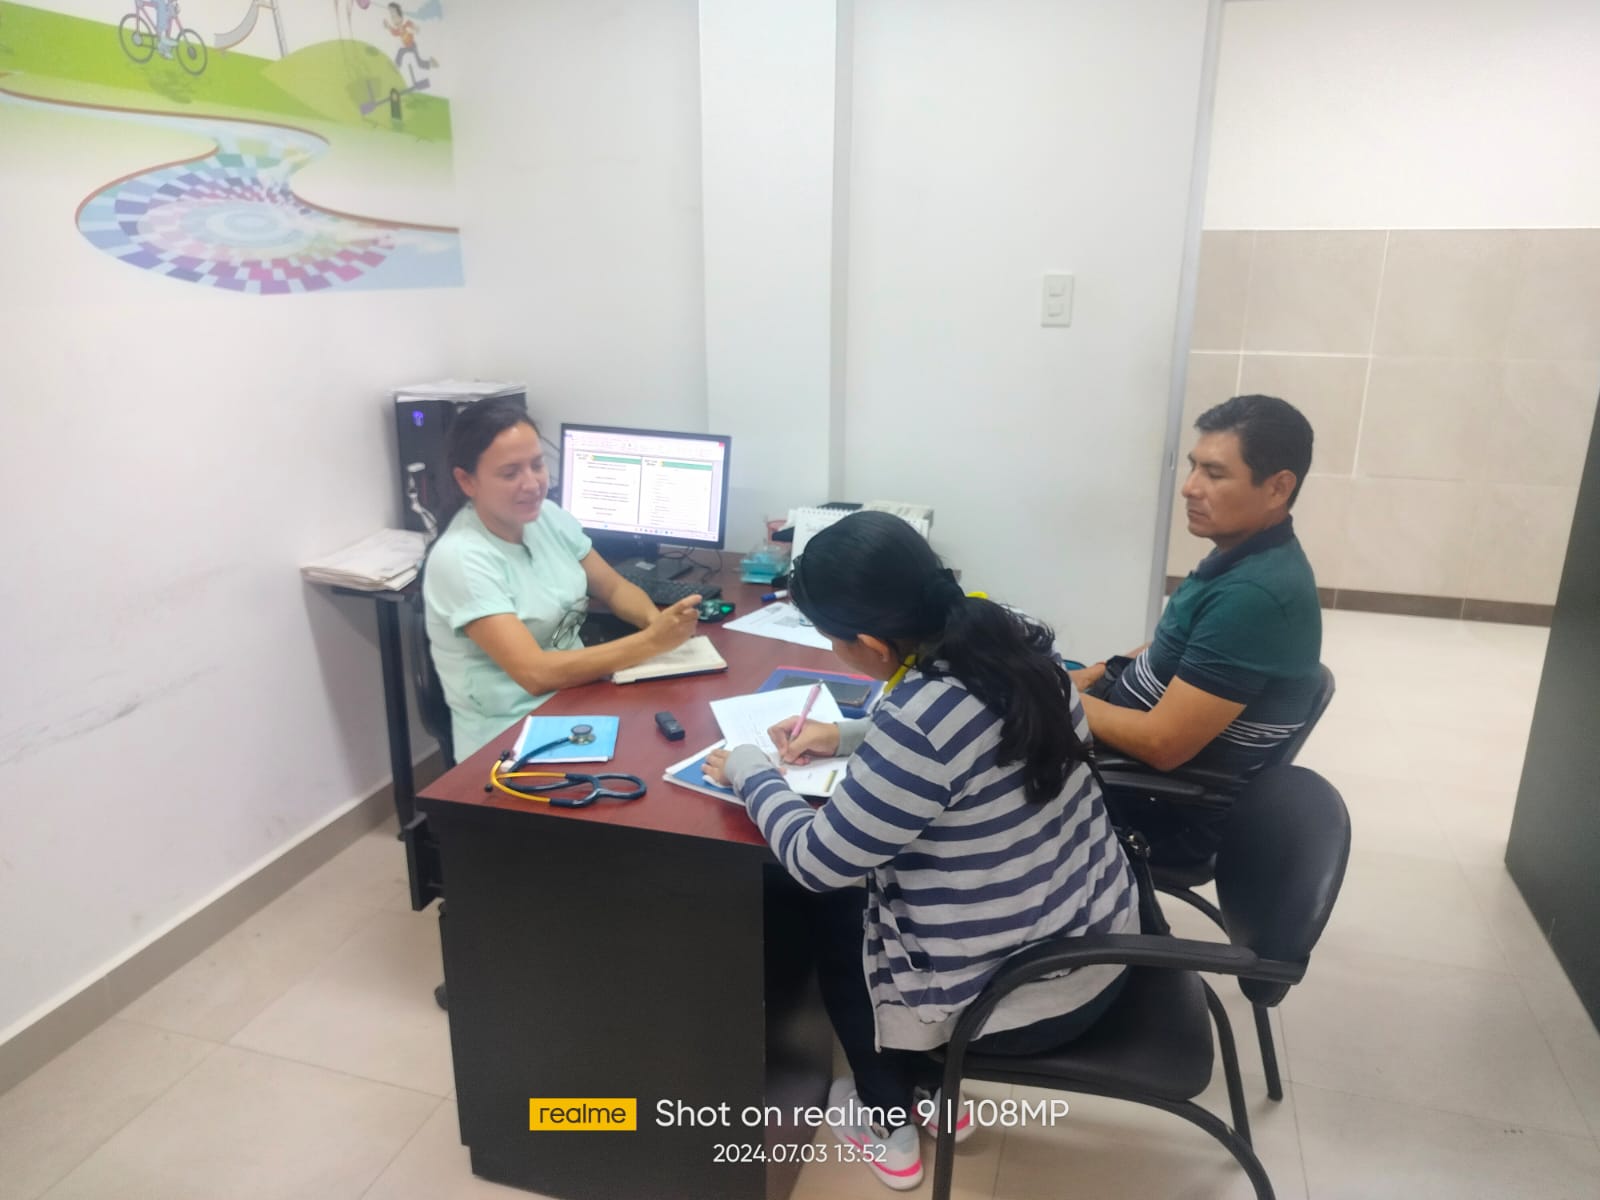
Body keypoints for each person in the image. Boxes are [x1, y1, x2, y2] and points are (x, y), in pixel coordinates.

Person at [703, 512, 1137, 1192]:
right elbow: (968, 732)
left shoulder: (919, 723)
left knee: (838, 912)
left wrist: (749, 769)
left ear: (873, 644)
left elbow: (817, 860)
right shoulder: (1010, 639)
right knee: (871, 897)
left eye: (834, 640)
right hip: (1099, 938)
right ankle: (934, 1094)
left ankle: (889, 1123)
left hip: (1028, 999)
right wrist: (847, 735)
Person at [1071, 393, 1321, 862]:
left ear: (1277, 488)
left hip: (1153, 805)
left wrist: (1054, 697)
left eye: (1215, 473)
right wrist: (1096, 672)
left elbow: (1162, 745)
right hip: (1122, 762)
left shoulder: (1256, 595)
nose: (1189, 488)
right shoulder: (1240, 554)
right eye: (1193, 467)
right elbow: (1176, 643)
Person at [422, 397, 701, 759]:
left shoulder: (548, 518)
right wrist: (651, 642)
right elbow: (534, 673)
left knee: (681, 739)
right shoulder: (460, 558)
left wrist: (657, 620)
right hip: (507, 739)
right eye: (510, 473)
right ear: (466, 481)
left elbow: (613, 587)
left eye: (537, 465)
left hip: (577, 700)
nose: (532, 484)